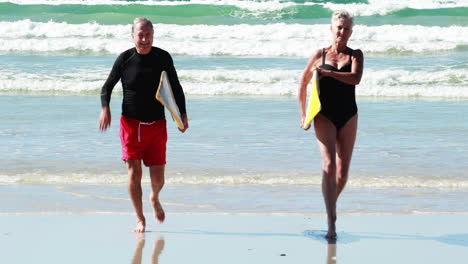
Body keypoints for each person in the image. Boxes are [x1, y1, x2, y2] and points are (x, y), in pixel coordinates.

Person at [99, 17, 189, 233]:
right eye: (140, 34)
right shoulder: (124, 59)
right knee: (134, 173)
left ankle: (154, 197)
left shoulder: (162, 57)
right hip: (130, 124)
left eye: (148, 34)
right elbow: (106, 87)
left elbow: (176, 87)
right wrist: (105, 108)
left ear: (153, 35)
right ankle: (140, 219)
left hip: (157, 125)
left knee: (158, 179)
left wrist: (182, 114)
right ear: (133, 36)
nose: (144, 39)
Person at [298, 10, 364, 240]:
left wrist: (330, 74)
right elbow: (303, 84)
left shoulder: (356, 55)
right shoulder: (320, 54)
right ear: (331, 28)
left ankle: (329, 205)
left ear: (351, 31)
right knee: (328, 166)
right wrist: (303, 115)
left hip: (348, 115)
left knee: (342, 174)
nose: (342, 32)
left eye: (346, 28)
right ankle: (331, 221)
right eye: (339, 27)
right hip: (323, 115)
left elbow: (355, 78)